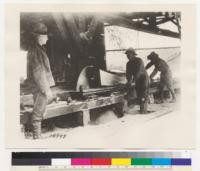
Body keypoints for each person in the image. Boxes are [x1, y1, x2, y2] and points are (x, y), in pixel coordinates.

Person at [26, 22, 55, 139]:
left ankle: (37, 136)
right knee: (37, 114)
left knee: (39, 111)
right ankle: (37, 138)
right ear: (39, 37)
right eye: (46, 36)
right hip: (40, 88)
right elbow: (39, 73)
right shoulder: (36, 51)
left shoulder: (37, 49)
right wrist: (46, 90)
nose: (47, 38)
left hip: (37, 87)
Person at [125, 47, 149, 114]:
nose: (127, 56)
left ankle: (143, 111)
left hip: (144, 79)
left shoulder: (139, 60)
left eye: (129, 54)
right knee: (138, 95)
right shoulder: (128, 64)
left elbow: (138, 72)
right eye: (127, 55)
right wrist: (129, 81)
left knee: (143, 95)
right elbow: (128, 74)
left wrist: (133, 81)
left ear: (133, 54)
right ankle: (139, 109)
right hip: (137, 80)